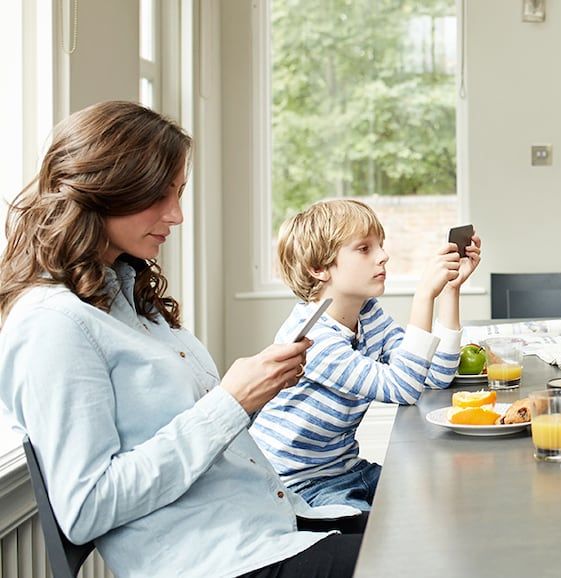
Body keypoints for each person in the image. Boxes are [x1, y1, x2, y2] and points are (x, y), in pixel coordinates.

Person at [0, 101, 365, 578]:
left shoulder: (126, 297)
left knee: (428, 529)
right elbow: (86, 507)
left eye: (179, 194)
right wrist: (231, 401)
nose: (176, 216)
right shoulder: (53, 324)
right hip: (219, 562)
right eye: (160, 196)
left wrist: (256, 390)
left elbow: (186, 426)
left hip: (263, 527)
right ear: (103, 189)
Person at [250, 199, 480, 511]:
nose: (383, 256)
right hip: (300, 485)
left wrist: (451, 289)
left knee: (444, 497)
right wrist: (424, 295)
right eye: (364, 248)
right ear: (318, 268)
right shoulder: (312, 338)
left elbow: (435, 376)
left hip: (349, 469)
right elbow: (403, 388)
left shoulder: (368, 314)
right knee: (393, 536)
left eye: (380, 245)